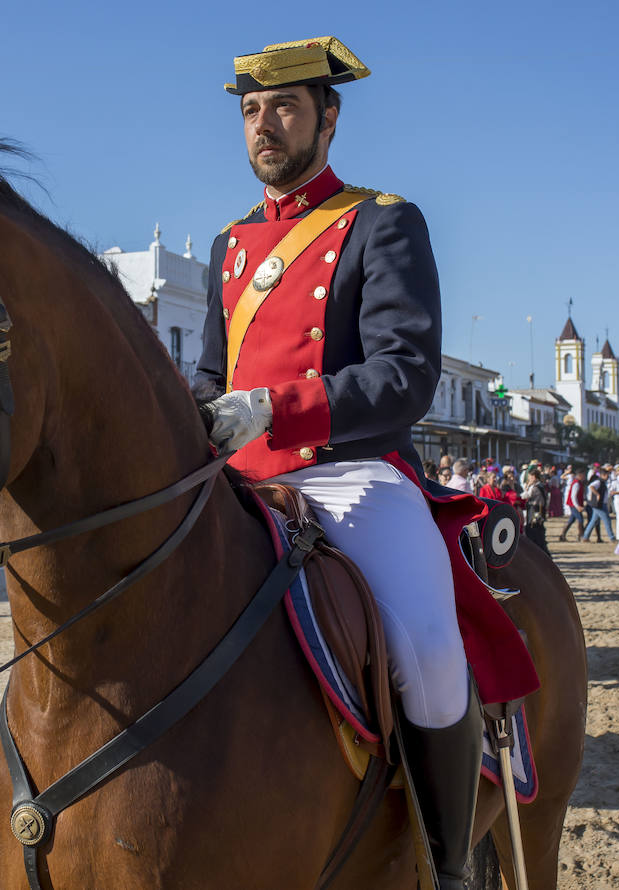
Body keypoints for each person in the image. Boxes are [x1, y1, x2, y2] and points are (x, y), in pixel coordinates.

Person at [193, 37, 492, 887]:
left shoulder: (383, 219)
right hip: (241, 480)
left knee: (430, 652)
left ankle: (450, 860)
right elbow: (214, 373)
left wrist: (276, 408)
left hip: (350, 473)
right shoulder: (228, 243)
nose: (264, 126)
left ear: (329, 116)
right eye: (251, 111)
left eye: (284, 107)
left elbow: (405, 374)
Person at [580, 468, 616, 543]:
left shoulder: (602, 482)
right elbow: (591, 487)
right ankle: (612, 537)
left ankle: (585, 536)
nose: (608, 477)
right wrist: (597, 494)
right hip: (599, 504)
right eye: (607, 475)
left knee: (593, 521)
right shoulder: (598, 482)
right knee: (607, 520)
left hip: (601, 504)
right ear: (603, 475)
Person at [522, 468, 549, 554]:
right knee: (538, 528)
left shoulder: (535, 487)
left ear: (534, 477)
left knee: (533, 528)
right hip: (540, 510)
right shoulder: (541, 485)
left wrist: (527, 486)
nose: (529, 479)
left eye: (530, 477)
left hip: (535, 510)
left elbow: (525, 496)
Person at [558, 467, 585, 541]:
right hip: (574, 504)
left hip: (574, 504)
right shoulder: (576, 483)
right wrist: (577, 506)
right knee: (580, 519)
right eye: (583, 475)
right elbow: (573, 496)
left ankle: (562, 535)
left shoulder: (578, 482)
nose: (584, 477)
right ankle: (581, 536)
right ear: (580, 475)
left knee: (571, 520)